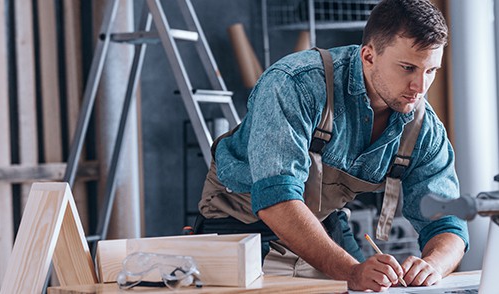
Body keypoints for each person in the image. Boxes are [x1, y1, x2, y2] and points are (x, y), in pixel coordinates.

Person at [196, 0, 468, 291]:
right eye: (408, 68)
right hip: (240, 223)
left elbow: (447, 223)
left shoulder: (423, 128)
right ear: (368, 56)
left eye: (430, 71)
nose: (420, 86)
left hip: (322, 223)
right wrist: (352, 271)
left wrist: (433, 265)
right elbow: (276, 200)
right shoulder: (294, 84)